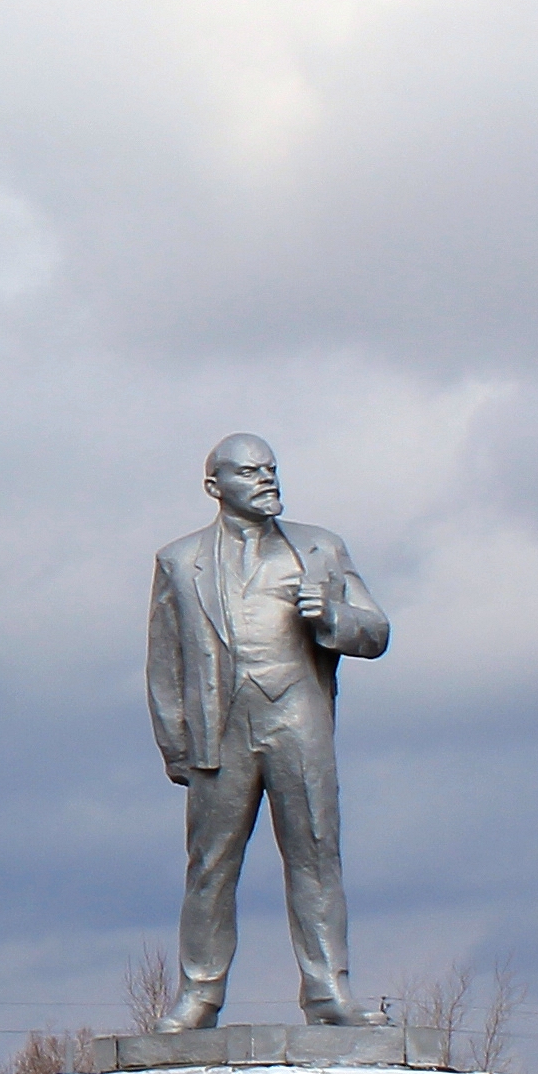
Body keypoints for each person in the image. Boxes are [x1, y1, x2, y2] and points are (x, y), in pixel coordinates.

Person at [146, 432, 389, 1030]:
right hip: (219, 728)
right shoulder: (179, 561)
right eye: (250, 471)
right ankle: (199, 994)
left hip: (297, 718)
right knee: (210, 866)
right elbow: (164, 661)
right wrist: (175, 744)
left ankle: (328, 989)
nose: (266, 479)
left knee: (315, 856)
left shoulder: (320, 549)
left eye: (272, 469)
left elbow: (376, 632)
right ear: (215, 486)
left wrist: (333, 617)